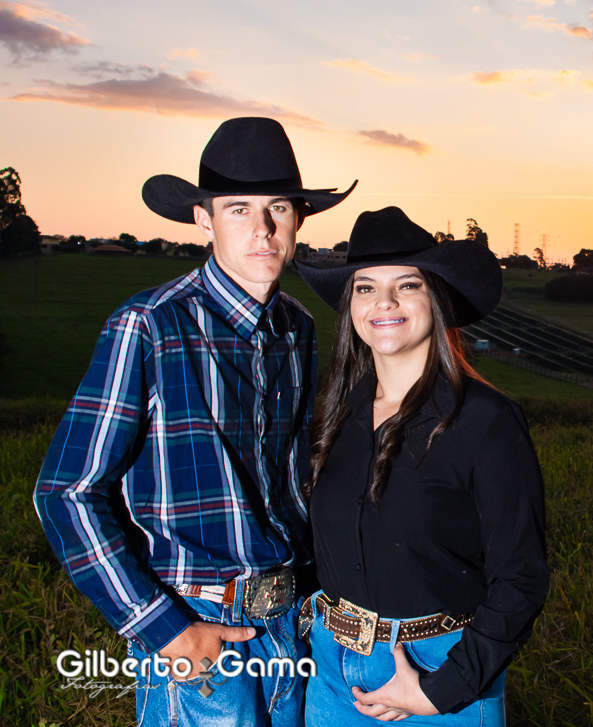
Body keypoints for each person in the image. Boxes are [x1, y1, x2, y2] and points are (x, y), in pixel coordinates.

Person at [34, 116, 355, 726]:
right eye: (238, 209)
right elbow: (66, 492)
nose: (262, 229)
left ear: (299, 219)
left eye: (278, 208)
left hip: (293, 625)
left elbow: (293, 481)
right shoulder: (150, 325)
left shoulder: (298, 327)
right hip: (200, 629)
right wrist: (163, 629)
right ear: (203, 219)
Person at [295, 206, 548, 725]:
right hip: (330, 674)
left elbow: (521, 576)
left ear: (435, 298)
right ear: (350, 306)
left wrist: (445, 689)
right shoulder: (336, 417)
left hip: (438, 672)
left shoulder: (486, 421)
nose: (384, 302)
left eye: (406, 285)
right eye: (365, 288)